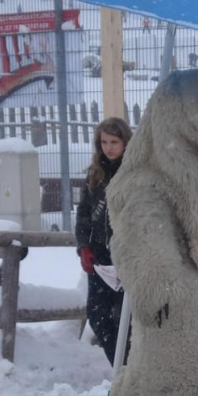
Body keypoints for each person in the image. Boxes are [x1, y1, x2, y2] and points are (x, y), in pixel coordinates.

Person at [76, 117, 133, 366]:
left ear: (125, 143)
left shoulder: (134, 173)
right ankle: (121, 371)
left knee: (128, 321)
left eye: (114, 142)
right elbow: (83, 216)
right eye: (104, 142)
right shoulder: (94, 176)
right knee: (98, 316)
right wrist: (84, 248)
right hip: (100, 259)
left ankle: (131, 377)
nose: (108, 147)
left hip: (129, 257)